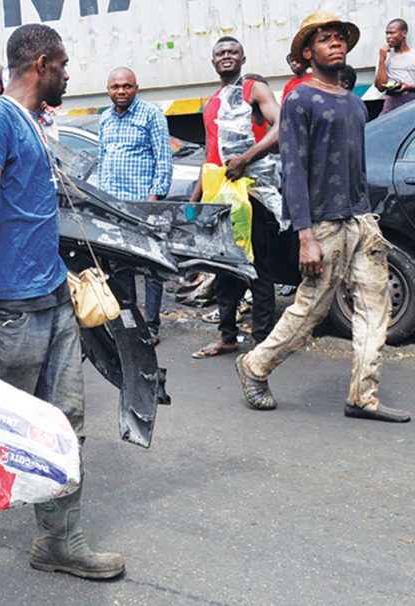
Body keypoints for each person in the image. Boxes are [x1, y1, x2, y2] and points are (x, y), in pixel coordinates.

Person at [0, 24, 124, 580]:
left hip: (52, 298)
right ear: (41, 63)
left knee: (65, 425)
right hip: (8, 307)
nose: (68, 74)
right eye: (63, 64)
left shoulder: (34, 123)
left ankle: (59, 542)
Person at [237, 11, 410, 424]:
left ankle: (362, 397)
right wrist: (306, 235)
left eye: (339, 37)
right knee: (311, 309)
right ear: (308, 52)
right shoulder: (300, 100)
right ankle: (255, 366)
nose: (334, 43)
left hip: (359, 220)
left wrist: (368, 217)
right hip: (324, 224)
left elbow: (359, 169)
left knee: (376, 305)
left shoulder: (353, 104)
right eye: (324, 39)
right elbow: (292, 167)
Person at [190, 36, 289, 359]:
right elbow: (211, 154)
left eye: (233, 51)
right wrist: (195, 199)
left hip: (252, 195)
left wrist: (246, 158)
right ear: (213, 62)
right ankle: (228, 336)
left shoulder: (254, 89)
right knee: (224, 269)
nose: (227, 56)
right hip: (221, 198)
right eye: (221, 53)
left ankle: (262, 343)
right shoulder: (213, 101)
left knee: (257, 268)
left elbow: (281, 126)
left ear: (243, 58)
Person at [98, 67, 172, 344]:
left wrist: (153, 202)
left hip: (143, 207)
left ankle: (151, 327)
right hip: (114, 208)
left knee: (150, 268)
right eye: (115, 86)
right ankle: (132, 326)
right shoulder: (105, 119)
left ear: (136, 88)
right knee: (119, 268)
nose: (121, 92)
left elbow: (163, 160)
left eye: (127, 86)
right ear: (108, 89)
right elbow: (103, 160)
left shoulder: (151, 115)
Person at [375, 18, 415, 114]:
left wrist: (407, 87)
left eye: (392, 33)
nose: (388, 37)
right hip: (391, 106)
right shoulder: (384, 56)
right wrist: (382, 59)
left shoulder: (413, 56)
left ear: (404, 33)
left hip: (412, 105)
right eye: (387, 33)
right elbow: (380, 87)